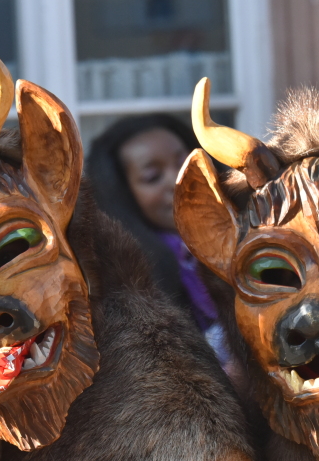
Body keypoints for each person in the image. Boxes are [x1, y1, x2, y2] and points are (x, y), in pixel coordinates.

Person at [86, 113, 233, 367]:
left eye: (186, 161)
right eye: (153, 176)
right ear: (124, 198)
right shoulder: (125, 282)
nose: (179, 179)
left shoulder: (256, 233)